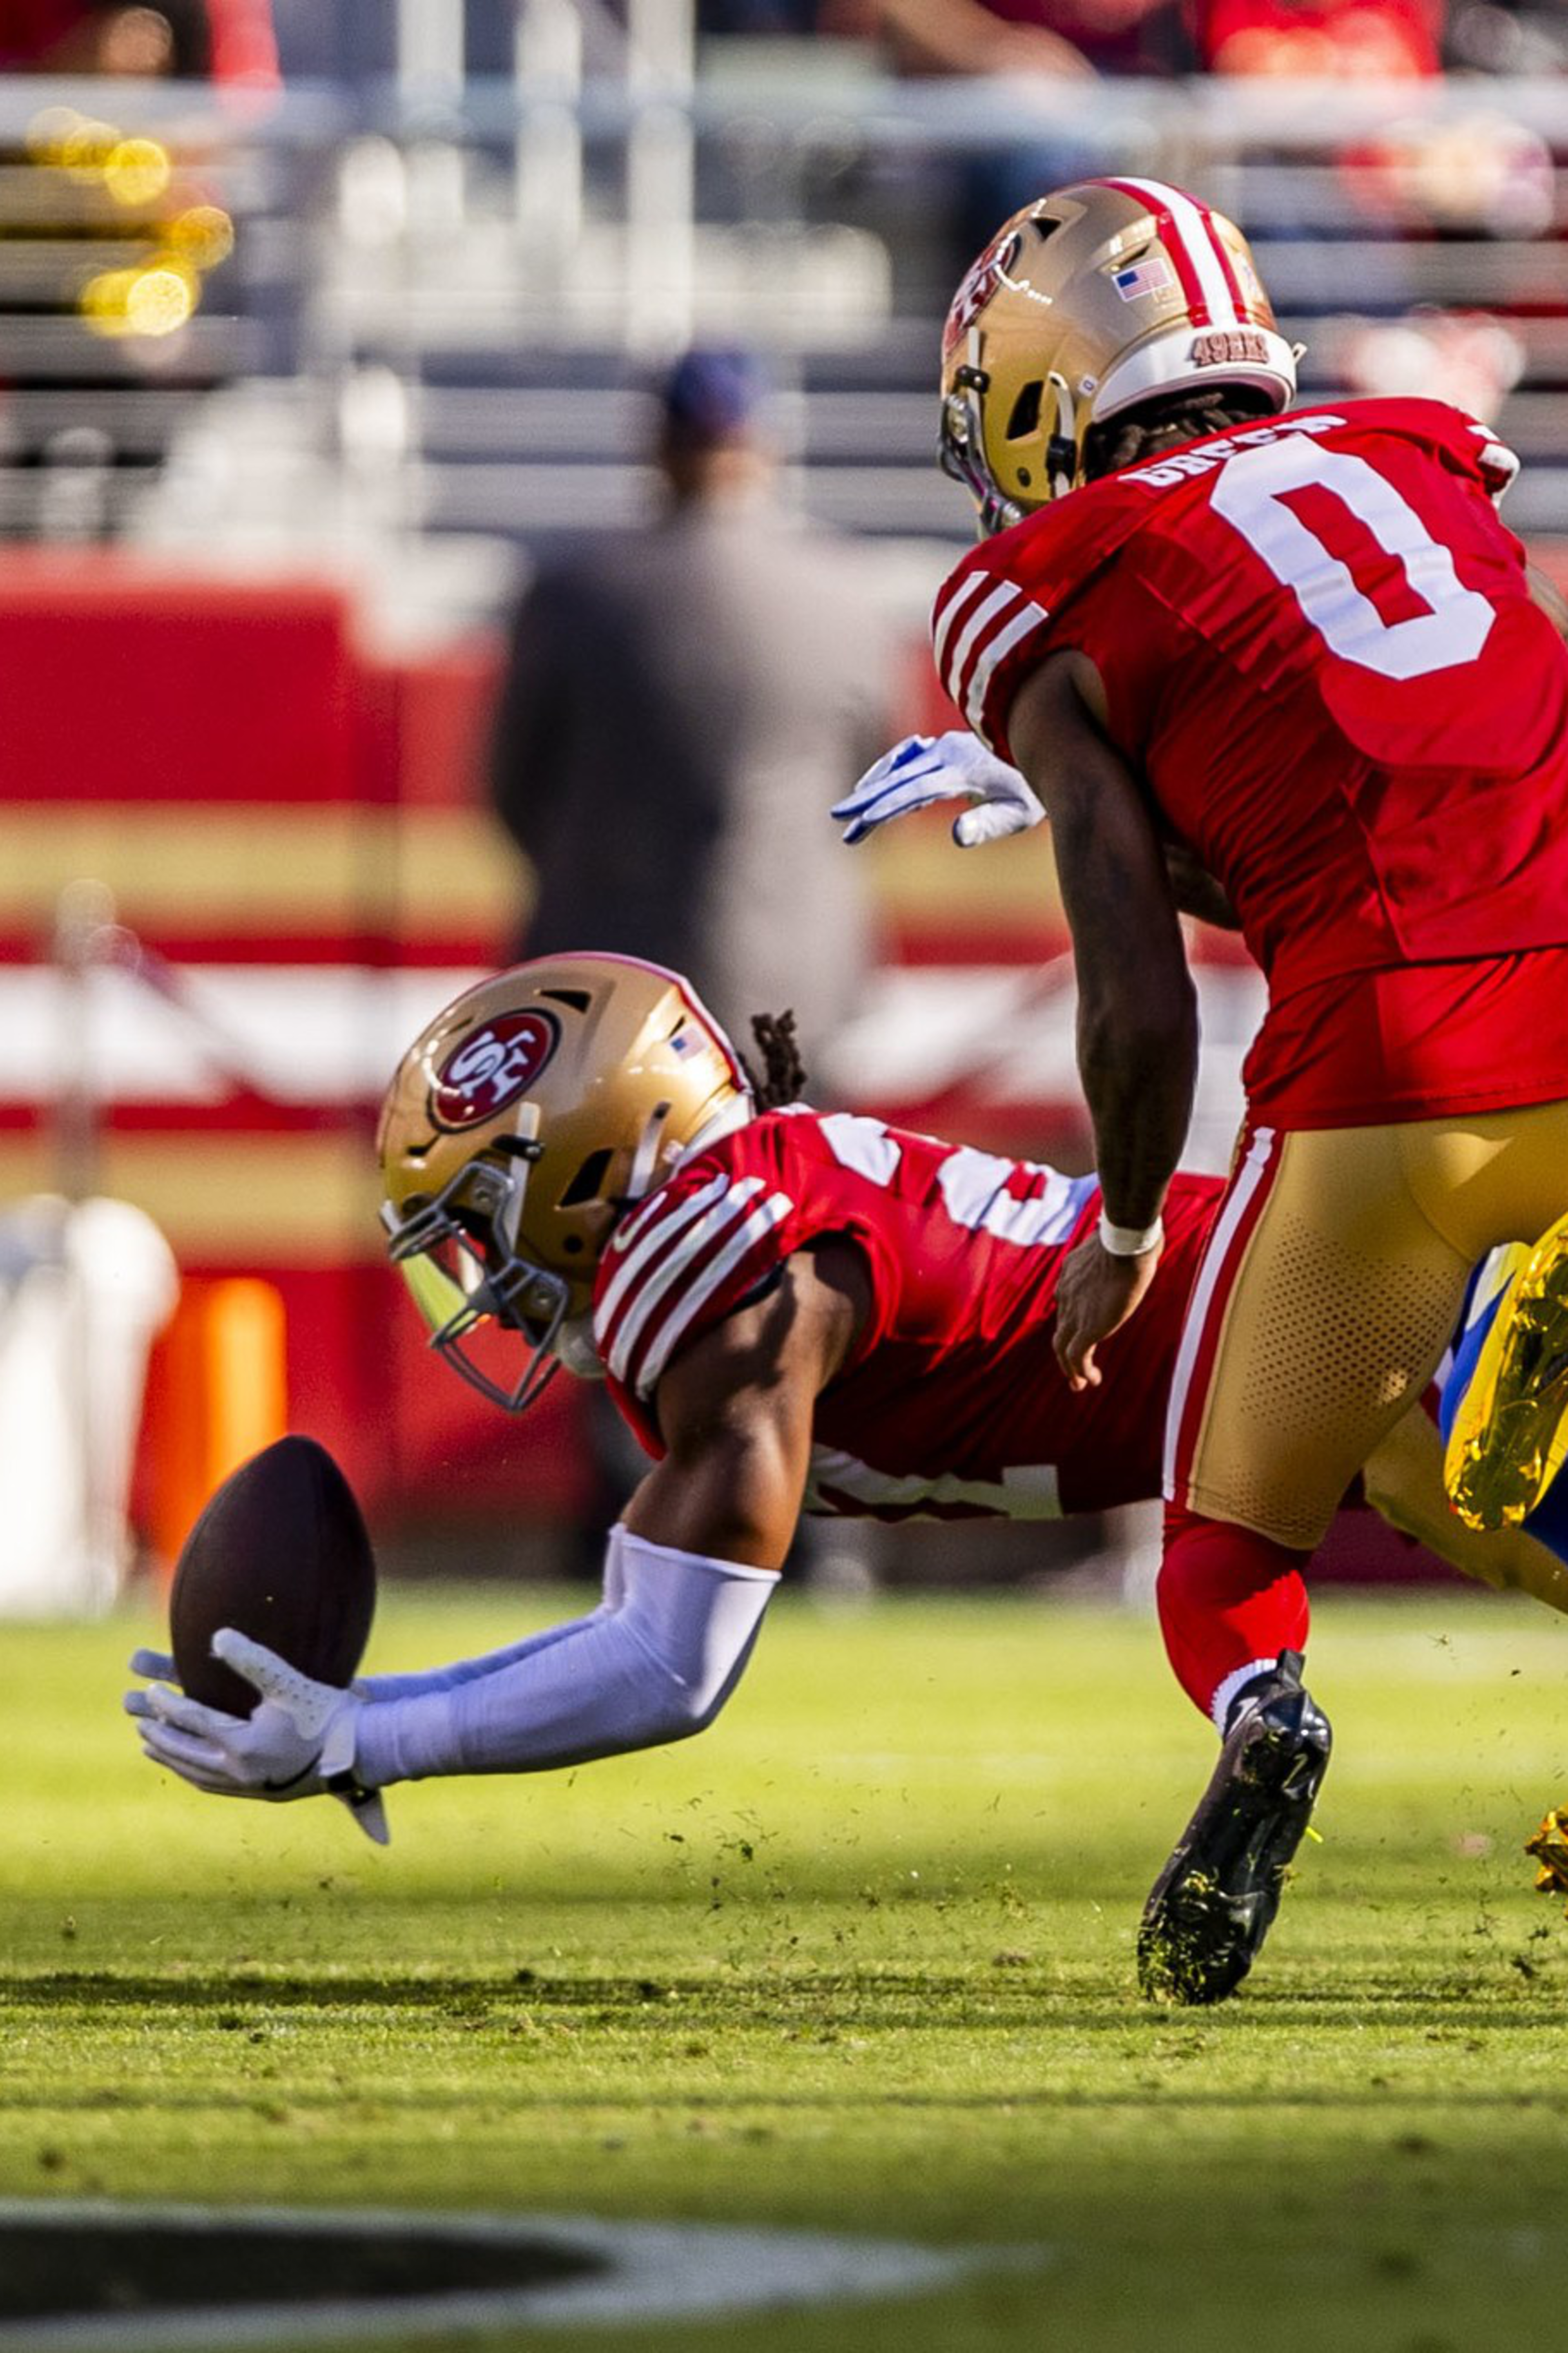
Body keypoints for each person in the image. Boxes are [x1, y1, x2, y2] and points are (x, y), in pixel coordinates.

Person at [125, 958, 1568, 1909]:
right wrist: (372, 1722)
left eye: (480, 1225)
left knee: (1394, 1473)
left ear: (581, 1166)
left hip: (1289, 1325)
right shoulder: (741, 1223)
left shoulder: (716, 1275)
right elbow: (637, 1619)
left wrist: (374, 1736)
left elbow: (666, 1665)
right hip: (1278, 1315)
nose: (480, 1285)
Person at [830, 174, 1568, 2004]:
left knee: (1222, 1547)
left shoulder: (1041, 584)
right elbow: (1380, 779)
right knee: (1452, 1457)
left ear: (1030, 392)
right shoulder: (1414, 454)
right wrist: (1152, 820)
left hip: (1389, 1077)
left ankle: (1262, 1719)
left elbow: (1140, 998)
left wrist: (1134, 1209)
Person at [488, 347, 892, 1076]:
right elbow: (875, 797)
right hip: (799, 993)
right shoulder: (847, 592)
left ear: (660, 445)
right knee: (788, 1188)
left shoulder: (576, 593)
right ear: (762, 445)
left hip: (611, 997)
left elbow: (514, 793)